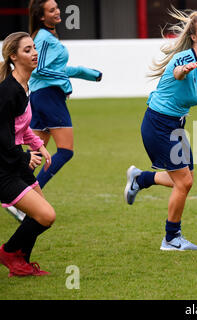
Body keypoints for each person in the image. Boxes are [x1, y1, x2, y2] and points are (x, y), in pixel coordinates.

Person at [124, 7, 197, 251]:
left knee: (186, 179)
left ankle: (140, 178)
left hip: (175, 125)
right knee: (183, 181)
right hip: (158, 124)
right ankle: (171, 238)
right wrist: (183, 70)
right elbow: (177, 73)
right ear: (195, 37)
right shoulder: (185, 59)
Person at [28, 0, 102, 189]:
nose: (58, 12)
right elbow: (38, 68)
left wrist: (87, 73)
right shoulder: (44, 37)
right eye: (52, 10)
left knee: (35, 155)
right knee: (65, 151)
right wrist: (65, 83)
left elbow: (56, 68)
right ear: (42, 16)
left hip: (41, 97)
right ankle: (31, 196)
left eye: (57, 8)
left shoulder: (47, 36)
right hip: (48, 97)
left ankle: (15, 195)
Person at [0, 31, 55, 277]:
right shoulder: (7, 91)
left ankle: (21, 264)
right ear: (13, 56)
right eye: (26, 50)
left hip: (14, 160)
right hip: (3, 167)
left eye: (34, 48)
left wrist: (39, 145)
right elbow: (2, 138)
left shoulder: (25, 85)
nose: (34, 53)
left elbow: (19, 127)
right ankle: (8, 253)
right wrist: (25, 157)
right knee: (46, 215)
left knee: (40, 215)